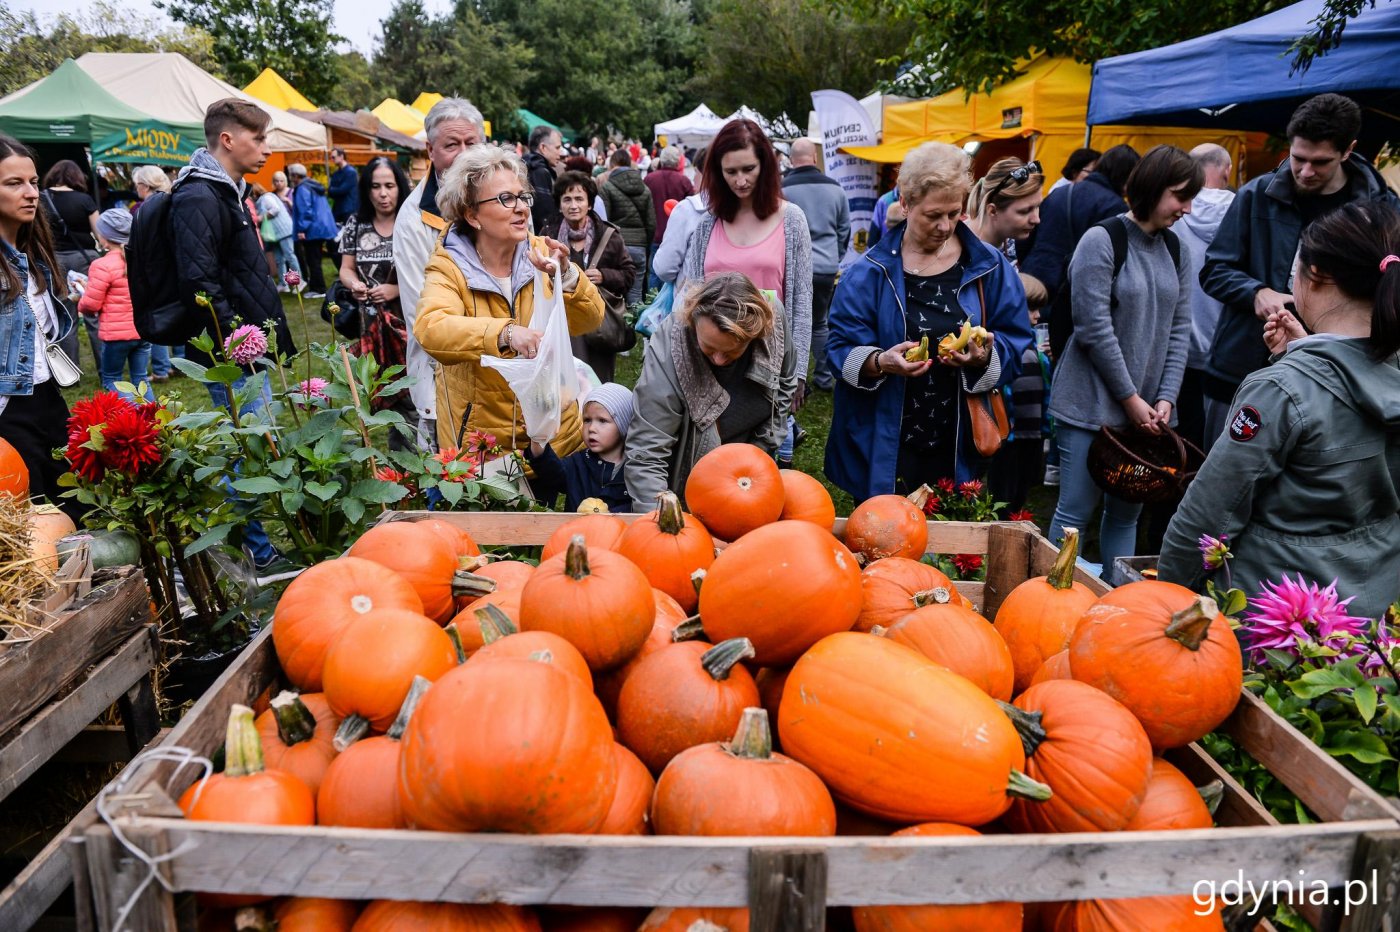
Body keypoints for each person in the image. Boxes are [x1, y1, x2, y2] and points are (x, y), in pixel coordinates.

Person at [1160, 200, 1400, 620]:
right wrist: (1300, 352)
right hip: (1369, 614)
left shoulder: (1279, 391)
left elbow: (1210, 514)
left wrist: (1165, 597)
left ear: (1317, 274)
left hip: (1277, 623)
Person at [824, 141, 1033, 500]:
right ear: (905, 204)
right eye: (933, 215)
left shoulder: (988, 268)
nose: (945, 226)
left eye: (954, 213)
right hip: (887, 440)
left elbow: (1017, 339)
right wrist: (879, 362)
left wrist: (984, 359)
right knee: (886, 543)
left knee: (951, 548)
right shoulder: (869, 273)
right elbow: (840, 350)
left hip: (958, 440)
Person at [1200, 94, 1397, 451]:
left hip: (1339, 375)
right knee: (1224, 476)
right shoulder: (1255, 195)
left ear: (1348, 150)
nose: (1305, 172)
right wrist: (1255, 292)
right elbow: (1214, 269)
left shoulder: (1382, 209)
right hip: (1240, 365)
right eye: (1297, 158)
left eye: (1319, 162)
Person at [1046, 145, 1201, 570]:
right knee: (1074, 513)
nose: (1186, 209)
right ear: (1152, 189)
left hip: (1148, 418)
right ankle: (1052, 602)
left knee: (1126, 514)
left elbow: (1179, 329)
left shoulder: (1177, 250)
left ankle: (1119, 607)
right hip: (1088, 407)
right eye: (1180, 196)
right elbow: (1093, 329)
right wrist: (1131, 399)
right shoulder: (1102, 240)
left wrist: (1166, 397)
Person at [413, 144, 605, 455]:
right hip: (486, 446)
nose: (521, 208)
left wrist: (567, 275)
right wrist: (505, 333)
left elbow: (591, 319)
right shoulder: (450, 265)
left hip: (556, 438)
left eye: (522, 197)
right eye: (506, 199)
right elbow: (431, 328)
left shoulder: (541, 251)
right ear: (472, 214)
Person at [626, 272, 796, 506]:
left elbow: (785, 383)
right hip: (688, 470)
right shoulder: (670, 344)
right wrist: (657, 519)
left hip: (747, 475)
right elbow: (648, 447)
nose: (718, 360)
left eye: (731, 352)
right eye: (708, 347)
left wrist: (762, 449)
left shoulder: (774, 321)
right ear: (693, 320)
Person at [680, 119, 812, 405]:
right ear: (717, 171)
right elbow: (690, 295)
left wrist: (798, 372)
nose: (740, 180)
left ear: (765, 165)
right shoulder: (708, 224)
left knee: (764, 447)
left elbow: (801, 301)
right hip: (711, 363)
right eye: (731, 171)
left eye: (748, 169)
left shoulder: (792, 220)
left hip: (769, 365)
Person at [0, 135, 80, 521]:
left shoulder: (33, 254)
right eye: (13, 183)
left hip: (47, 396)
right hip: (7, 409)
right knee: (32, 518)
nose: (30, 193)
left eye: (33, 182)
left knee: (76, 503)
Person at [966, 157, 1045, 514]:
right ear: (994, 210)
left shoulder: (1004, 251)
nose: (1036, 218)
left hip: (1004, 386)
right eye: (1025, 210)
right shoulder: (970, 256)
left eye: (1037, 207)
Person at [338, 157, 414, 447]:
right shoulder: (357, 222)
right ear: (367, 190)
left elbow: (428, 270)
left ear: (400, 187)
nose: (383, 193)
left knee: (411, 390)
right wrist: (353, 284)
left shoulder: (412, 221)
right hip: (370, 322)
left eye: (390, 186)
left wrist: (395, 290)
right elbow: (346, 268)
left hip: (406, 320)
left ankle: (412, 454)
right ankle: (397, 457)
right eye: (376, 186)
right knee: (381, 389)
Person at [1172, 143, 1236, 450]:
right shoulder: (1243, 212)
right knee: (1223, 435)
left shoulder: (1175, 214)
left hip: (1180, 348)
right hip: (1228, 347)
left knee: (1184, 431)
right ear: (1227, 170)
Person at [542, 171, 635, 382]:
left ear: (590, 204)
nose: (573, 205)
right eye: (567, 199)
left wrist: (605, 275)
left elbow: (629, 274)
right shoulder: (548, 235)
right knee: (566, 380)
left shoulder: (609, 236)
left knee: (598, 379)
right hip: (563, 321)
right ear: (559, 205)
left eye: (579, 199)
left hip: (598, 322)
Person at [782, 138, 850, 392]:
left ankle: (791, 377)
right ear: (814, 158)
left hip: (790, 267)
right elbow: (844, 229)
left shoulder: (781, 189)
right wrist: (835, 255)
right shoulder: (836, 189)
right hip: (825, 266)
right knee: (820, 322)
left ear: (791, 160)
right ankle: (823, 377)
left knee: (789, 323)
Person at [78, 208, 151, 401]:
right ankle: (153, 421)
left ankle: (134, 417)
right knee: (141, 379)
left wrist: (81, 298)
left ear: (104, 237)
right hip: (142, 331)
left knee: (112, 379)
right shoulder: (143, 260)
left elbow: (91, 305)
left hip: (116, 335)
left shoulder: (102, 265)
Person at [527, 382, 634, 512]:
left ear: (623, 424)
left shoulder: (635, 468)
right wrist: (538, 441)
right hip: (576, 532)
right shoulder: (579, 463)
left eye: (602, 421)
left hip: (621, 531)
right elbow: (551, 472)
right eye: (587, 420)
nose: (592, 428)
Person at [42, 159, 101, 366]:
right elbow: (101, 235)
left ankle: (71, 371)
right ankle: (106, 369)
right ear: (76, 177)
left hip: (55, 259)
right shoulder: (85, 200)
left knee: (65, 315)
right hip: (85, 258)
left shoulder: (41, 199)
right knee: (92, 312)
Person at [130, 165, 177, 380]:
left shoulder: (145, 208)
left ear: (144, 185)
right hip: (173, 266)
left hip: (154, 268)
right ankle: (178, 361)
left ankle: (161, 367)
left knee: (157, 318)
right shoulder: (172, 200)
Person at [600, 148, 656, 306]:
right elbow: (651, 222)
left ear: (613, 164)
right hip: (639, 245)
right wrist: (646, 244)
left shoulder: (607, 187)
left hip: (616, 246)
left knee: (614, 291)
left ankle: (618, 325)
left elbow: (604, 221)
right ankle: (635, 325)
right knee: (636, 291)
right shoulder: (644, 188)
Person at [653, 147, 707, 285]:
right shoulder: (683, 181)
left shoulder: (649, 179)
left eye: (696, 172)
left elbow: (664, 269)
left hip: (658, 234)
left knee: (654, 275)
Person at [644, 145, 693, 289]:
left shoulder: (649, 179)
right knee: (677, 275)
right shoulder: (684, 181)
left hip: (655, 233)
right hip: (678, 236)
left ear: (662, 160)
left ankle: (652, 305)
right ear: (678, 162)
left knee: (654, 272)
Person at [287, 163, 336, 298]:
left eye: (291, 175)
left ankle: (319, 289)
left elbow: (305, 211)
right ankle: (317, 286)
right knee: (316, 259)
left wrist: (302, 229)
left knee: (312, 260)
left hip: (312, 230)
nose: (290, 178)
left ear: (296, 176)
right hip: (321, 228)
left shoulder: (302, 188)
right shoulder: (313, 185)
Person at [255, 180, 300, 288]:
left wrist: (261, 217)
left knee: (290, 256)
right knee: (279, 259)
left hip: (283, 230)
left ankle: (299, 282)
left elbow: (275, 209)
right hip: (274, 235)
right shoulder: (263, 200)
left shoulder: (265, 198)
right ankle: (283, 284)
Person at [524, 126, 564, 231]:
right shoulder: (540, 172)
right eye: (557, 147)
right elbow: (546, 216)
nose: (560, 152)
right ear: (543, 148)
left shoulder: (523, 166)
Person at [327, 147, 359, 225]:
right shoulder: (336, 173)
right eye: (331, 157)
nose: (332, 159)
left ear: (341, 156)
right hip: (339, 210)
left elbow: (343, 190)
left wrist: (332, 190)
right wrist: (333, 190)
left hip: (348, 210)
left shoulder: (351, 172)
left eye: (333, 157)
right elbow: (331, 192)